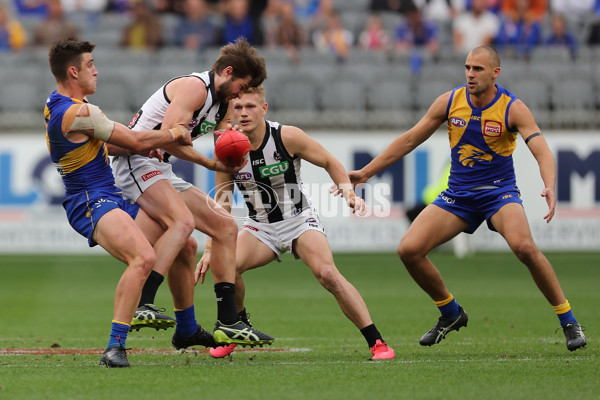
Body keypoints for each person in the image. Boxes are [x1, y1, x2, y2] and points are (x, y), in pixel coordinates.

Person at [348, 46, 586, 352]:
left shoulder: (513, 108)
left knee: (525, 248)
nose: (470, 74)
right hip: (458, 196)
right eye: (467, 67)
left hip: (499, 193)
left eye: (478, 69)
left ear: (495, 73)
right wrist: (367, 172)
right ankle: (450, 312)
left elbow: (541, 150)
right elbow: (409, 139)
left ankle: (568, 320)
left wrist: (550, 184)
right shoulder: (450, 101)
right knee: (408, 249)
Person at [44, 39, 216, 368]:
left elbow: (118, 143)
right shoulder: (80, 112)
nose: (97, 70)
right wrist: (174, 133)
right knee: (143, 257)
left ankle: (187, 328)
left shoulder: (56, 104)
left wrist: (140, 145)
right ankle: (114, 347)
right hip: (91, 200)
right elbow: (135, 138)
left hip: (104, 195)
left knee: (185, 245)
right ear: (73, 71)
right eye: (91, 64)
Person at [197, 86, 395, 360]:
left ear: (263, 109)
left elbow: (329, 160)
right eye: (238, 108)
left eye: (250, 107)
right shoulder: (227, 149)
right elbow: (223, 202)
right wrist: (210, 248)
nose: (243, 113)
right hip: (259, 227)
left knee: (328, 275)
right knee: (226, 267)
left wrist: (348, 192)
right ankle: (237, 327)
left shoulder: (286, 136)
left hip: (298, 220)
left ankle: (377, 342)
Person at [111, 37, 275, 348]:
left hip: (160, 170)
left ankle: (230, 321)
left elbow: (223, 137)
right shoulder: (194, 88)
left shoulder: (223, 102)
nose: (241, 93)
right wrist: (208, 160)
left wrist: (234, 144)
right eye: (242, 85)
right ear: (227, 72)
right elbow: (169, 138)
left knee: (225, 226)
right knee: (182, 223)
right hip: (134, 160)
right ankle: (144, 302)